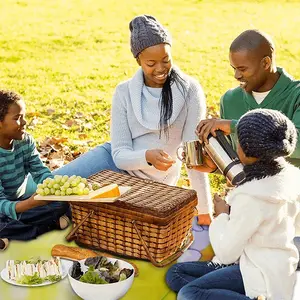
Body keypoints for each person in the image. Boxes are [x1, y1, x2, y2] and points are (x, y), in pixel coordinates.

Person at [45, 15, 213, 257]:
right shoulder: (124, 92)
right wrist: (146, 156)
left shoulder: (189, 90)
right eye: (150, 63)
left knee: (87, 214)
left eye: (165, 60)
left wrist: (205, 209)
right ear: (138, 60)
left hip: (153, 183)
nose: (160, 69)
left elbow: (194, 155)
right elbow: (120, 154)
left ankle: (62, 217)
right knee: (47, 190)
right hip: (114, 162)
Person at [166, 108, 300, 300]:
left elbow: (226, 253)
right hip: (273, 265)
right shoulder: (291, 178)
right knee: (176, 274)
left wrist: (222, 215)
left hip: (259, 274)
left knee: (189, 293)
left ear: (245, 151)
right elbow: (293, 226)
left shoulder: (252, 197)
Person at [195, 29, 300, 266]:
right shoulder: (230, 100)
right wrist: (215, 166)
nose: (236, 75)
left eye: (242, 69)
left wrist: (234, 126)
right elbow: (242, 159)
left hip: (288, 208)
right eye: (233, 68)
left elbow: (298, 143)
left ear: (266, 63)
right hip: (247, 203)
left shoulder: (296, 94)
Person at [0, 90, 70, 251]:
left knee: (64, 203)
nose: (24, 122)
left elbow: (40, 171)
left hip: (21, 200)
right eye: (17, 118)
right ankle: (46, 226)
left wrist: (55, 190)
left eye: (23, 116)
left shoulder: (25, 141)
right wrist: (29, 204)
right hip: (4, 207)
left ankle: (13, 233)